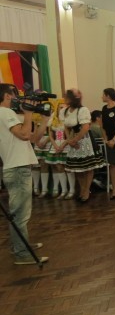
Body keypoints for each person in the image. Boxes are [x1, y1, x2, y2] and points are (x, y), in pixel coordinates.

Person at [0, 83, 49, 264]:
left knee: (19, 213)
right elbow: (24, 135)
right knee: (20, 215)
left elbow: (34, 139)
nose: (17, 98)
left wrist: (44, 120)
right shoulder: (4, 113)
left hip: (18, 167)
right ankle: (22, 254)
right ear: (7, 96)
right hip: (17, 168)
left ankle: (19, 245)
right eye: (14, 95)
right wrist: (28, 113)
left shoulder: (8, 115)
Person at [63, 89, 105, 203]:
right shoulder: (65, 110)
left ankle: (86, 191)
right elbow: (66, 126)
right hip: (73, 139)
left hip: (84, 139)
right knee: (77, 168)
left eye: (67, 97)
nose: (65, 99)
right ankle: (82, 189)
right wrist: (69, 140)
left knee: (87, 168)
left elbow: (86, 127)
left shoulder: (83, 110)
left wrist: (76, 140)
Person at [45, 100, 73, 199]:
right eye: (60, 107)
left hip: (67, 145)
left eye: (64, 107)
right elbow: (51, 135)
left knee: (68, 168)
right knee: (59, 167)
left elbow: (70, 135)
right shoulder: (53, 120)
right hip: (56, 145)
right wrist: (56, 145)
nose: (62, 109)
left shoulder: (69, 119)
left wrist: (63, 145)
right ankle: (63, 190)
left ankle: (72, 191)